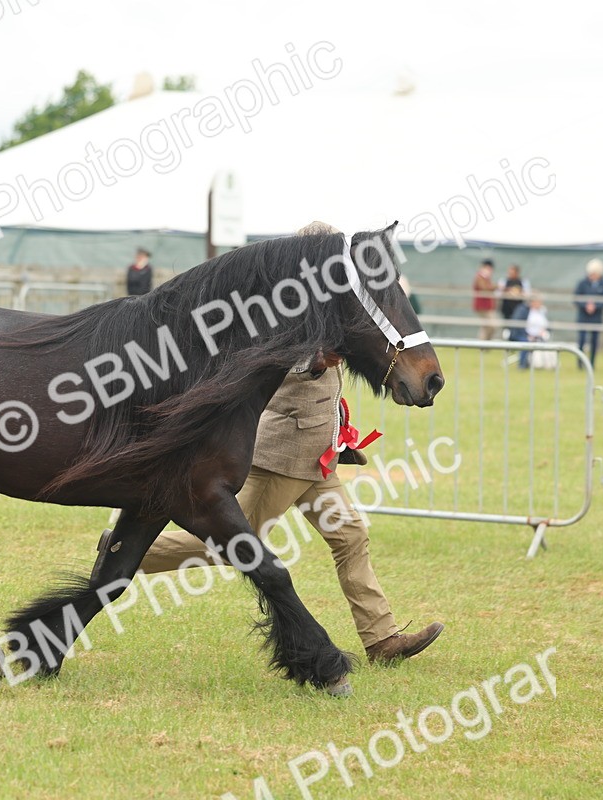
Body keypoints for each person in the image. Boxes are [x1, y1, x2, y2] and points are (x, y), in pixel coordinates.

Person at [94, 222, 444, 676]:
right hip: (280, 458)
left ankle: (381, 638)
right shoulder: (286, 310)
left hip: (318, 458)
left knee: (350, 535)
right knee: (231, 545)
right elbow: (262, 360)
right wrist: (314, 360)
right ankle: (127, 550)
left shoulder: (336, 308)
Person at [573, 258, 603, 368]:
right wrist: (586, 305)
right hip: (583, 316)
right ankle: (580, 362)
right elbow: (576, 298)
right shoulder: (582, 283)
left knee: (594, 341)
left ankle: (592, 363)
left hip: (596, 316)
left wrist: (596, 306)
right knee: (581, 340)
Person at [517, 294, 550, 369]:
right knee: (525, 342)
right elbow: (518, 325)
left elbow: (546, 324)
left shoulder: (542, 311)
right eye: (537, 302)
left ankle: (545, 364)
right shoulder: (523, 310)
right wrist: (528, 335)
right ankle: (522, 364)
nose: (539, 304)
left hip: (539, 336)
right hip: (524, 335)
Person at [472, 258, 496, 339]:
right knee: (491, 326)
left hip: (486, 305)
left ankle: (482, 345)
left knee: (486, 327)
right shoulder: (480, 276)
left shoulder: (486, 277)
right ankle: (483, 345)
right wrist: (496, 286)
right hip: (482, 305)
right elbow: (484, 288)